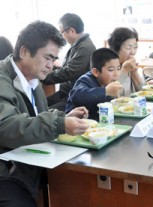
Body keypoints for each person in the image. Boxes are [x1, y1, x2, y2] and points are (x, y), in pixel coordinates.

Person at [0, 21, 90, 207]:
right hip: (6, 171)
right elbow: (6, 127)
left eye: (55, 59)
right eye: (48, 58)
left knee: (81, 183)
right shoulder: (3, 80)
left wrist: (64, 117)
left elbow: (34, 114)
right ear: (24, 52)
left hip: (26, 161)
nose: (52, 66)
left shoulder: (31, 79)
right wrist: (59, 124)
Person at [42, 13, 96, 111]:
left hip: (75, 96)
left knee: (44, 112)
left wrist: (43, 76)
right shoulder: (78, 45)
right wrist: (53, 67)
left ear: (71, 31)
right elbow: (68, 68)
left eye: (61, 32)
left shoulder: (85, 47)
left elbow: (69, 72)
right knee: (39, 104)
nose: (62, 36)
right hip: (66, 92)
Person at [65, 48, 123, 120]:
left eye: (118, 68)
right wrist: (106, 91)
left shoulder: (107, 82)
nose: (116, 74)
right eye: (111, 70)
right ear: (96, 72)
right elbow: (76, 96)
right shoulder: (85, 80)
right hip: (77, 124)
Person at [107, 27, 144, 96]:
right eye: (128, 48)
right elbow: (112, 96)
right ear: (116, 48)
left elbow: (144, 92)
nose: (133, 52)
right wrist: (124, 71)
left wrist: (134, 72)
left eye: (135, 47)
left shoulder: (129, 65)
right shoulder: (108, 66)